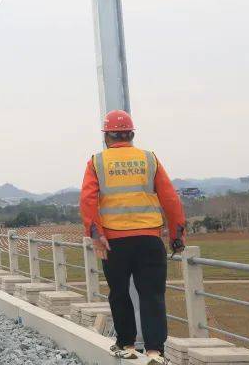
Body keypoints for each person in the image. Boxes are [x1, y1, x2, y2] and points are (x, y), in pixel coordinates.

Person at [80, 110, 186, 364]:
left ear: (107, 136)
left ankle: (126, 344)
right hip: (149, 240)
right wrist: (177, 235)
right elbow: (170, 199)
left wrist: (97, 235)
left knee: (119, 292)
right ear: (132, 134)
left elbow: (87, 200)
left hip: (113, 242)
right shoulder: (149, 159)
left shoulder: (97, 162)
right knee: (152, 294)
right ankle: (154, 351)